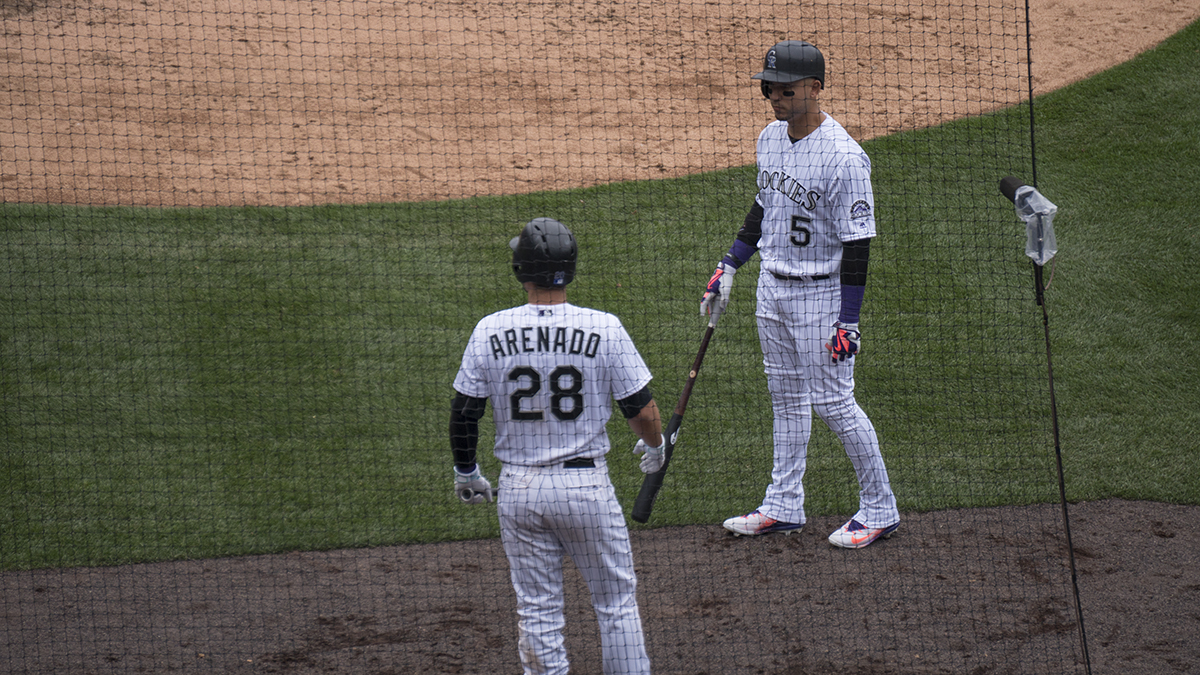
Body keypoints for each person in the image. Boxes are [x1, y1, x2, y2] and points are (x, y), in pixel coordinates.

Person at [700, 40, 900, 549]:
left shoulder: (845, 158)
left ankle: (881, 508)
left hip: (822, 296)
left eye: (785, 87)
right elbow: (763, 209)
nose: (774, 96)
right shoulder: (769, 138)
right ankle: (783, 504)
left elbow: (859, 246)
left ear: (814, 87)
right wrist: (728, 265)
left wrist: (848, 321)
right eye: (769, 87)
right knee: (786, 401)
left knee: (834, 402)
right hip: (773, 289)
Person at [450, 217, 665, 674]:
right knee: (615, 604)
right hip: (585, 487)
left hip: (520, 490)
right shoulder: (604, 327)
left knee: (539, 612)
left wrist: (466, 471)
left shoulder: (490, 330)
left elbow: (465, 412)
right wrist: (656, 447)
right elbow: (642, 411)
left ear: (519, 269)